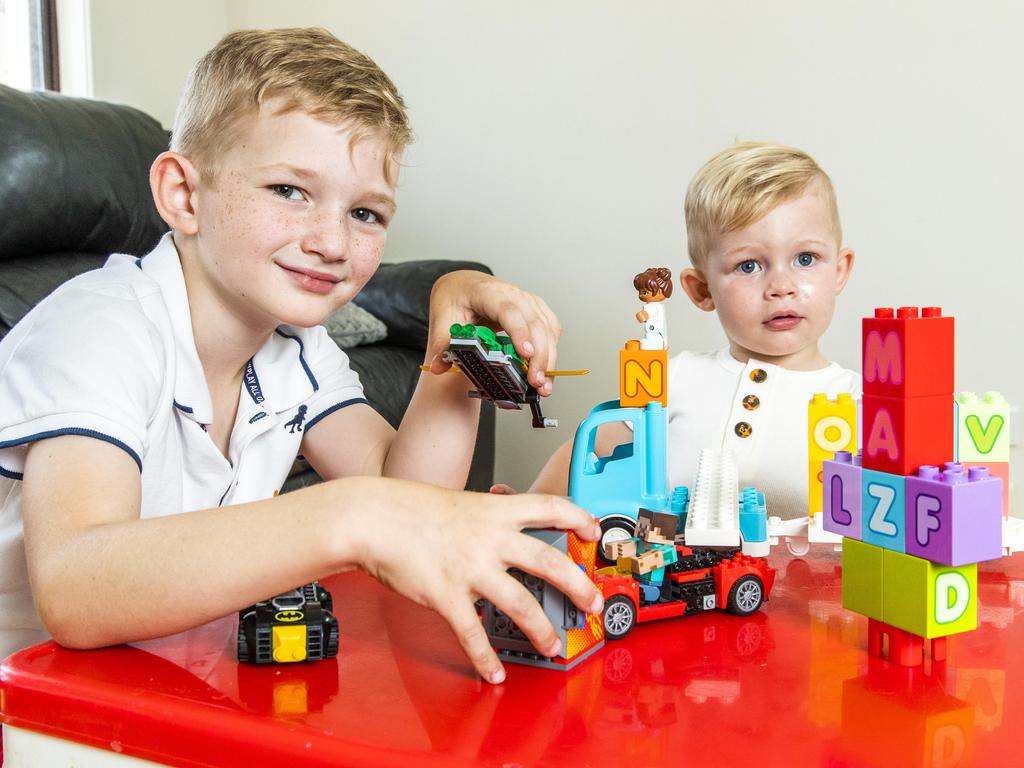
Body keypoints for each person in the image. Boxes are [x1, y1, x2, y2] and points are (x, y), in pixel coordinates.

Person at [0, 28, 603, 684]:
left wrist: (453, 342)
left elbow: (407, 497)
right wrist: (343, 515)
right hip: (29, 707)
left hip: (163, 688)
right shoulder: (100, 327)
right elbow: (75, 590)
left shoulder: (298, 347)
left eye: (367, 213)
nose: (332, 242)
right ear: (182, 194)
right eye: (289, 190)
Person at [531, 141, 859, 518]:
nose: (780, 286)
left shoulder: (865, 402)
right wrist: (531, 508)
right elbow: (591, 445)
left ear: (839, 270)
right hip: (669, 572)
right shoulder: (675, 379)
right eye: (749, 266)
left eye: (805, 259)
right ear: (702, 290)